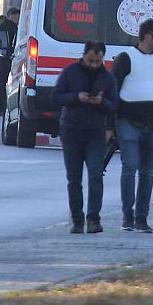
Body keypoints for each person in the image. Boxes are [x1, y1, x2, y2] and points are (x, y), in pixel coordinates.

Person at [53, 40, 118, 234]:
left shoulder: (107, 78)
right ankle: (77, 219)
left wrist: (101, 102)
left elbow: (114, 105)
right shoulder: (70, 72)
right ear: (83, 55)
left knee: (96, 176)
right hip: (71, 130)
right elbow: (55, 97)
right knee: (74, 179)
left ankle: (93, 219)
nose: (93, 65)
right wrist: (76, 97)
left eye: (98, 61)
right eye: (90, 60)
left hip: (95, 133)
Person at [111, 18, 153, 233]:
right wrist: (110, 123)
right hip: (128, 122)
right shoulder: (126, 58)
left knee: (147, 172)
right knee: (130, 167)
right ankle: (128, 215)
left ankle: (141, 218)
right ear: (147, 36)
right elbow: (113, 89)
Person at [0, 7, 19, 118]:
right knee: (1, 85)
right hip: (4, 61)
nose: (17, 18)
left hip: (3, 61)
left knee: (1, 84)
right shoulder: (8, 28)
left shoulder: (3, 27)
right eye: (15, 15)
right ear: (10, 15)